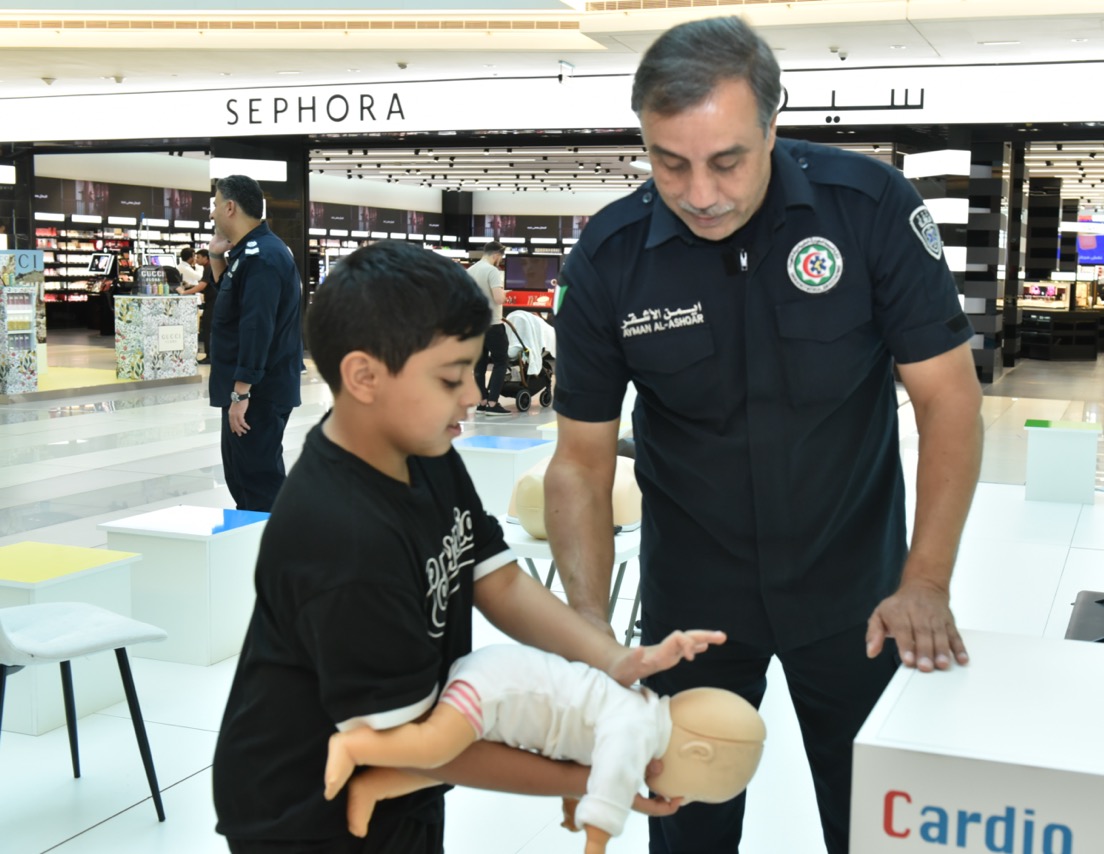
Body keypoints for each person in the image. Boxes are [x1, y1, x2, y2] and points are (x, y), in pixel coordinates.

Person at [543, 17, 984, 854]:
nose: (700, 192)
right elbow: (580, 463)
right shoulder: (610, 256)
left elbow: (949, 401)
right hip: (691, 610)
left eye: (727, 160)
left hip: (858, 599)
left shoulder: (868, 209)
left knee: (876, 828)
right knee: (686, 830)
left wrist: (925, 580)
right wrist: (590, 629)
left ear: (773, 126)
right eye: (670, 163)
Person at [211, 240, 725, 854]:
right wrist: (597, 775)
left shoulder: (418, 450)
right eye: (452, 377)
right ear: (363, 376)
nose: (474, 396)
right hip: (304, 811)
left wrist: (612, 660)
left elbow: (497, 579)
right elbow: (422, 746)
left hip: (402, 785)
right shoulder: (341, 538)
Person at [323, 643, 765, 854]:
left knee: (442, 766)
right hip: (496, 692)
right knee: (432, 746)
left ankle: (374, 786)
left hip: (501, 684)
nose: (680, 797)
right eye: (694, 791)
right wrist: (596, 841)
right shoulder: (638, 732)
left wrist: (572, 804)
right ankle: (355, 747)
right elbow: (610, 785)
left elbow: (583, 756)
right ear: (698, 753)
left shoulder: (642, 707)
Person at [206, 174, 303, 512]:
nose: (212, 213)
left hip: (258, 392)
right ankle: (253, 538)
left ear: (230, 207)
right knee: (241, 475)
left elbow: (257, 328)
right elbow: (234, 302)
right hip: (249, 388)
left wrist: (241, 393)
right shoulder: (250, 252)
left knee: (258, 481)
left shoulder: (263, 256)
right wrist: (215, 256)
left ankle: (274, 541)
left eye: (216, 205)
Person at [467, 240, 511, 415]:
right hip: (493, 324)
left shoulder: (470, 271)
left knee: (480, 364)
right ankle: (493, 404)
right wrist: (505, 294)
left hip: (476, 326)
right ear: (496, 255)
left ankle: (482, 402)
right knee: (501, 362)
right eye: (501, 257)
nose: (500, 260)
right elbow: (499, 299)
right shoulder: (492, 271)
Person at [193, 247, 218, 363]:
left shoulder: (209, 268)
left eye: (198, 257)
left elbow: (202, 285)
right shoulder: (209, 267)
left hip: (213, 302)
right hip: (213, 301)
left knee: (207, 328)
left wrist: (184, 292)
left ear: (206, 258)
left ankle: (209, 356)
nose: (196, 260)